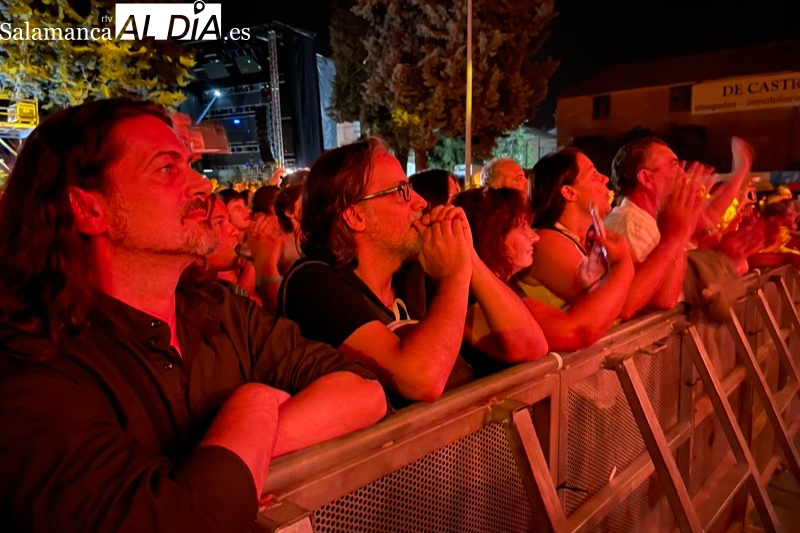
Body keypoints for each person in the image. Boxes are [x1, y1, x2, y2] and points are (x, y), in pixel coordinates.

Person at [0, 98, 386, 533]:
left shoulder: (218, 310)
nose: (203, 187)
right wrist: (254, 402)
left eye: (189, 165)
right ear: (90, 209)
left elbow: (365, 391)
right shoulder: (32, 364)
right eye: (167, 169)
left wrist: (240, 453)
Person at [280, 138, 546, 407]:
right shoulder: (313, 283)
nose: (420, 202)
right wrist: (454, 277)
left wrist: (468, 258)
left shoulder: (419, 274)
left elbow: (530, 346)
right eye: (401, 191)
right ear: (355, 216)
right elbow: (421, 379)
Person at [455, 188, 633, 367]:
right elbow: (577, 332)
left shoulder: (496, 293)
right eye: (522, 228)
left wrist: (591, 289)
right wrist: (622, 264)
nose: (534, 237)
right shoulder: (477, 305)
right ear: (491, 236)